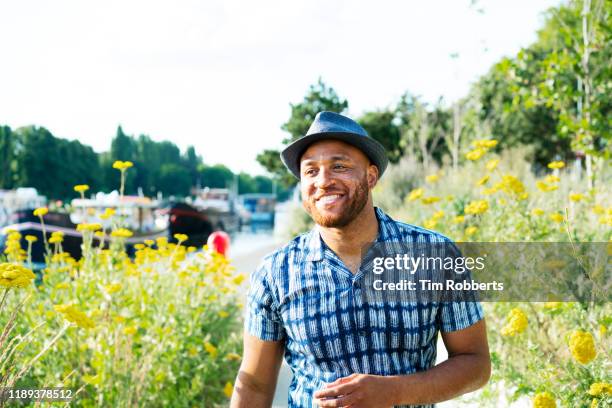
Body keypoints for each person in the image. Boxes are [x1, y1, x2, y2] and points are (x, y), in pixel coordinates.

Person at [230, 111, 490, 408]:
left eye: (339, 166)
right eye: (311, 171)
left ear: (371, 175)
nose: (324, 181)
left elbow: (475, 363)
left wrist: (395, 391)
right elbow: (253, 384)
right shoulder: (274, 274)